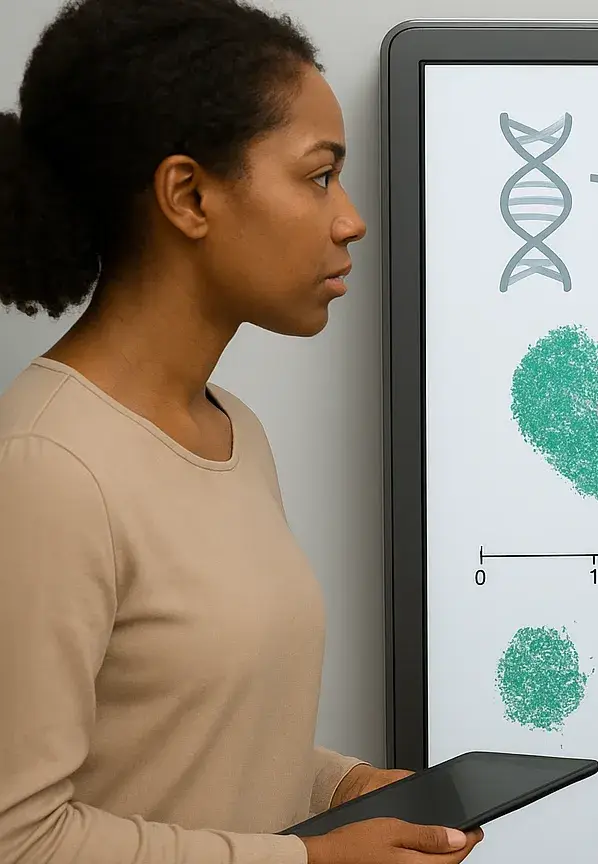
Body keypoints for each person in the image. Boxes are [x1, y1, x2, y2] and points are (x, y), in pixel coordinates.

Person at [0, 1, 482, 862]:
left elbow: (186, 737)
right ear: (188, 195)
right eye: (318, 176)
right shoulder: (47, 467)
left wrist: (337, 786)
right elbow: (21, 839)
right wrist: (308, 861)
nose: (351, 219)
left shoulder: (234, 433)